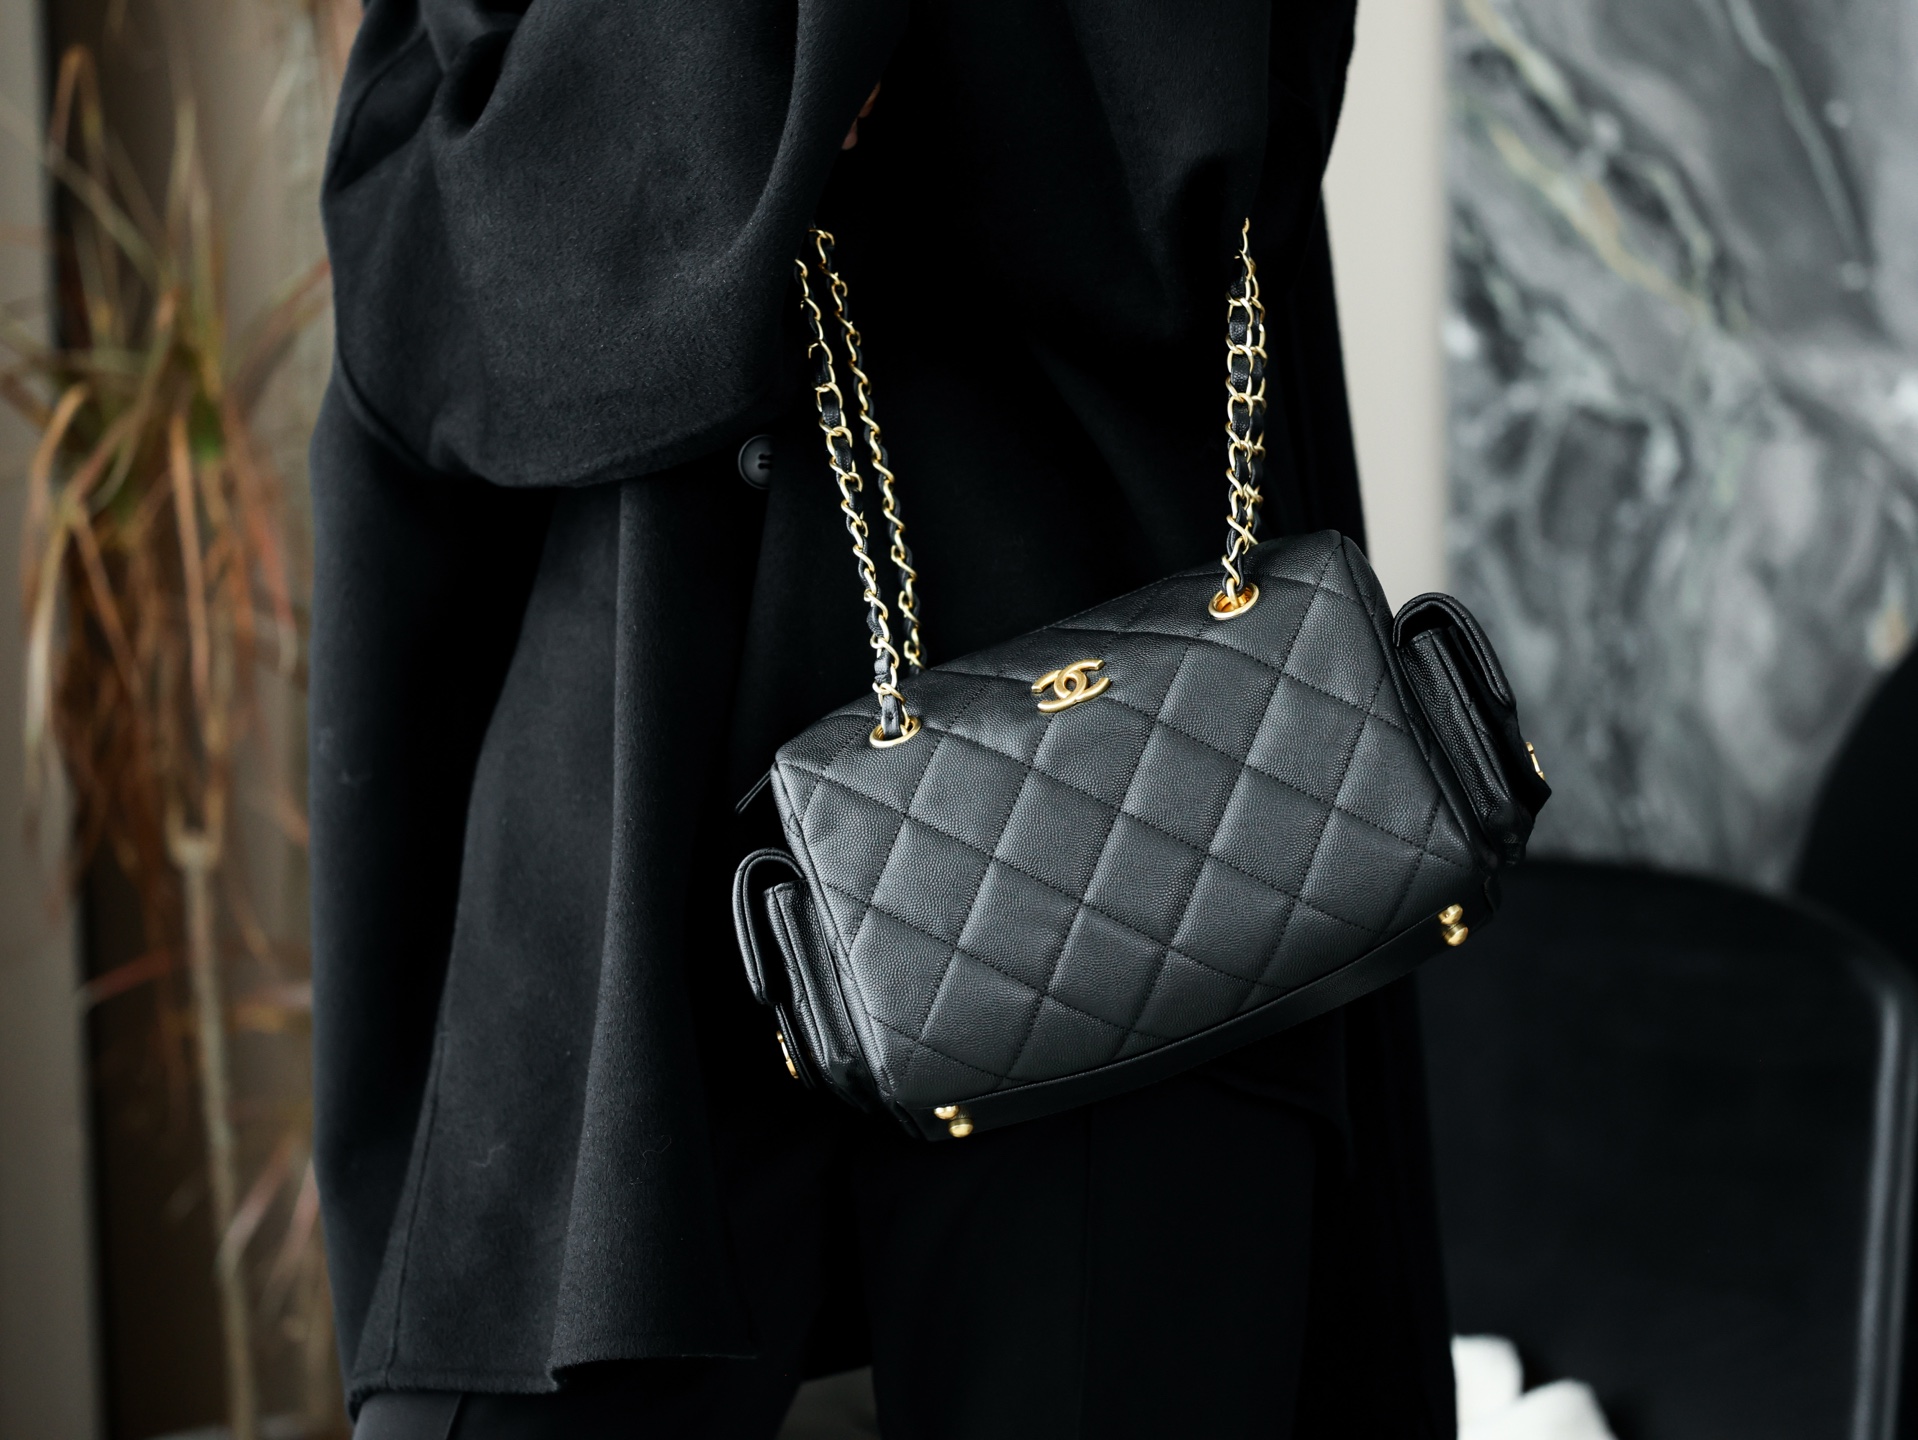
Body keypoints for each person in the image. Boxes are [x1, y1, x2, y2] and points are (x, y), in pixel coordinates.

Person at [311, 3, 1455, 1436]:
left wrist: (761, 104)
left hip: (1111, 816)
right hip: (617, 826)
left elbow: (1182, 150)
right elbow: (456, 268)